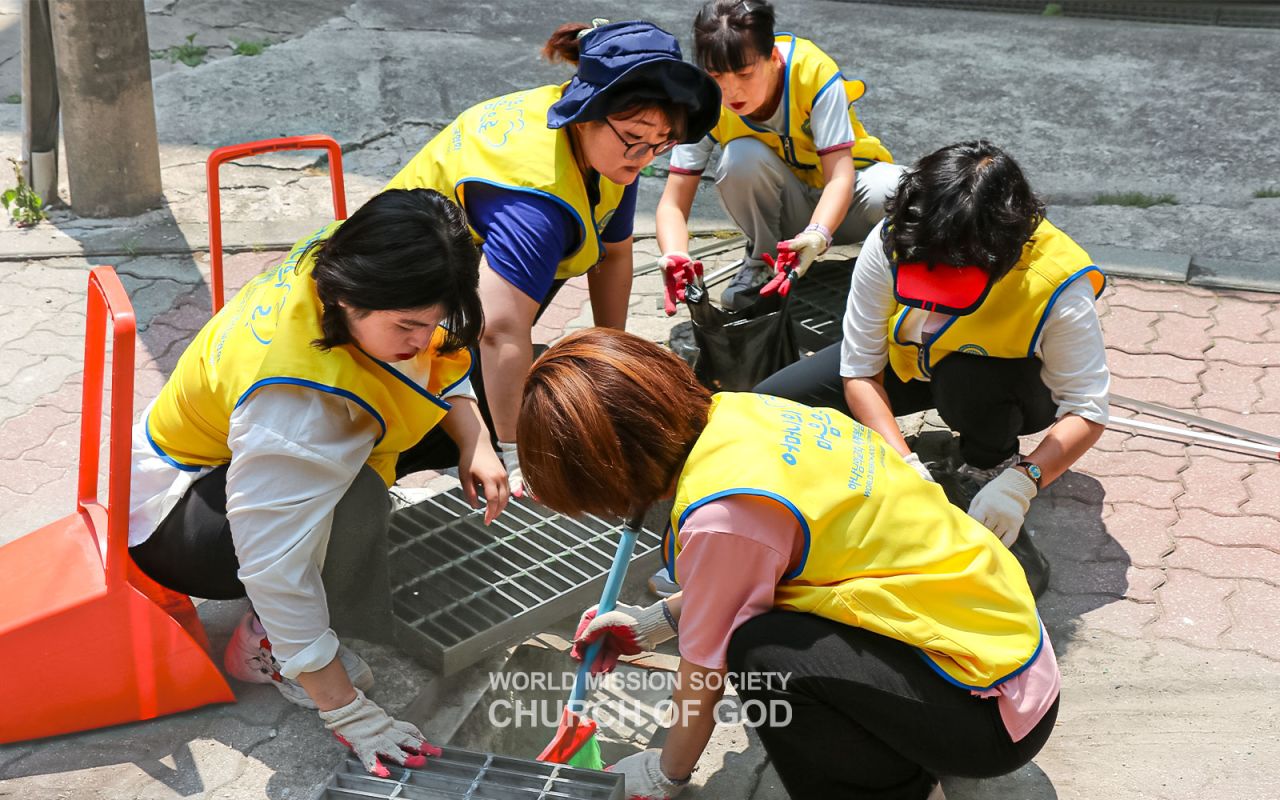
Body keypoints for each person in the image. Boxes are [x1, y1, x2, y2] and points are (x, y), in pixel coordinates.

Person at [517, 329, 1060, 800]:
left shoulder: (724, 516)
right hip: (1003, 647)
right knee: (766, 631)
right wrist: (652, 625)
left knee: (765, 653)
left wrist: (664, 773)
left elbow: (702, 675)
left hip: (989, 715)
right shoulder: (747, 414)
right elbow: (755, 575)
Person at [126, 188, 509, 776]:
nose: (422, 339)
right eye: (408, 325)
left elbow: (442, 355)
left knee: (453, 405)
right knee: (354, 498)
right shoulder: (300, 403)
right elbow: (274, 560)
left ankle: (312, 607)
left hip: (230, 455)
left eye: (430, 322)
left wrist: (476, 442)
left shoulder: (349, 255)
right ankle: (271, 649)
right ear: (346, 295)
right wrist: (348, 711)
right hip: (178, 520)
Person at [384, 19, 721, 497]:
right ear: (586, 111)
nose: (646, 157)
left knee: (498, 342)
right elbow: (499, 332)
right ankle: (429, 448)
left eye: (661, 142)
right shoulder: (536, 203)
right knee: (424, 405)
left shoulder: (614, 149)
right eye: (635, 139)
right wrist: (516, 454)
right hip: (394, 297)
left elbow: (613, 255)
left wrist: (610, 362)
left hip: (463, 278)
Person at [756, 140, 1109, 589]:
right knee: (769, 406)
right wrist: (901, 459)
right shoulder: (892, 239)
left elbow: (1088, 409)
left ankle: (988, 462)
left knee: (966, 376)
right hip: (906, 364)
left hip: (999, 383)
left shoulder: (1056, 279)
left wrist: (1027, 480)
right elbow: (860, 369)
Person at [655, 0, 903, 313]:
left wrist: (817, 234)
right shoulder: (703, 100)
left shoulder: (812, 72)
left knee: (904, 190)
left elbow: (840, 177)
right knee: (739, 157)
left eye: (744, 74)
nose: (730, 93)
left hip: (849, 203)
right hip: (787, 218)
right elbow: (673, 201)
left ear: (773, 57)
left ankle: (894, 274)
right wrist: (675, 254)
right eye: (716, 76)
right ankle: (762, 262)